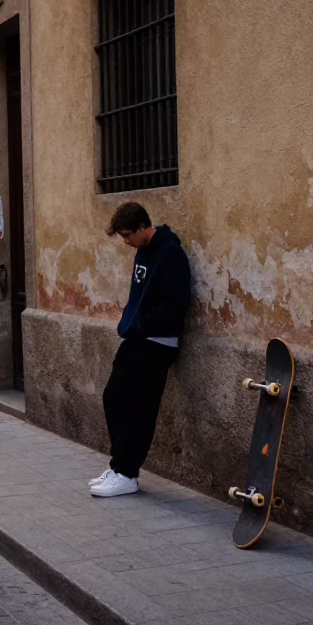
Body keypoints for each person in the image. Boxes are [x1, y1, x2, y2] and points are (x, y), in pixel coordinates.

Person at [89, 202, 191, 497]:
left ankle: (128, 474)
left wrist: (143, 324)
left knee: (140, 411)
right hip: (137, 339)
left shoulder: (171, 253)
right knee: (113, 397)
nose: (126, 242)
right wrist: (130, 322)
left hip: (157, 343)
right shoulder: (142, 250)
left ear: (142, 228)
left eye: (127, 236)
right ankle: (119, 466)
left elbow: (176, 303)